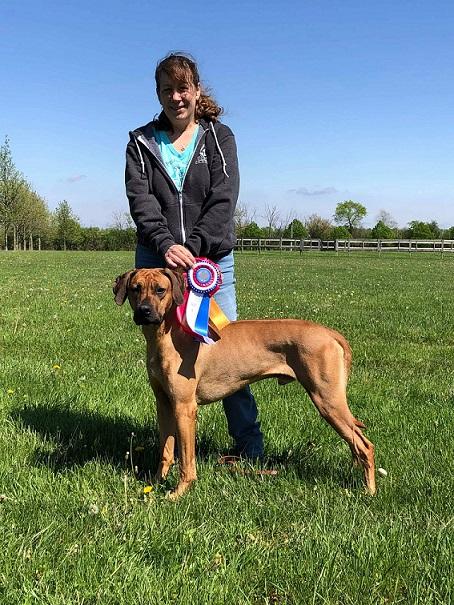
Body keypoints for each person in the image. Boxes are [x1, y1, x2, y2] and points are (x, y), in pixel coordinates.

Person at [125, 52, 264, 460]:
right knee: (165, 359)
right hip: (157, 265)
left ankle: (249, 447)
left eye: (183, 88)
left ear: (197, 90)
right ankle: (169, 454)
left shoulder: (219, 138)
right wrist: (166, 245)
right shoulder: (140, 142)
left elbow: (224, 198)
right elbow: (141, 201)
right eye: (167, 89)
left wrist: (194, 246)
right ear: (158, 94)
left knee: (230, 353)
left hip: (210, 263)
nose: (176, 97)